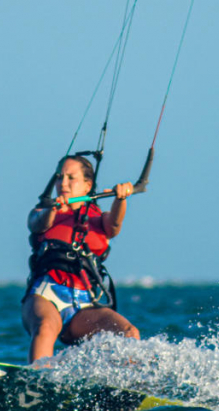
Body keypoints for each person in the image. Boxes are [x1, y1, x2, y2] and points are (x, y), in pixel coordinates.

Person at [22, 155, 140, 363]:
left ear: (88, 186)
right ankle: (38, 382)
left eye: (71, 178)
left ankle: (131, 389)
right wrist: (53, 208)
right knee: (46, 327)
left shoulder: (99, 218)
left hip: (83, 305)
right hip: (45, 295)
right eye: (60, 177)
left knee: (129, 332)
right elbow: (37, 223)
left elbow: (114, 225)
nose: (63, 183)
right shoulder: (43, 212)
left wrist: (120, 199)